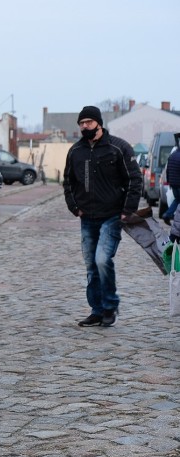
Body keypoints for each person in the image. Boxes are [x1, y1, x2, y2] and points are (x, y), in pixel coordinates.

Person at [63, 105, 143, 328]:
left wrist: (127, 210)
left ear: (98, 123)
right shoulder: (76, 151)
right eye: (81, 123)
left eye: (88, 122)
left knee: (102, 260)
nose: (84, 126)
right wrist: (73, 206)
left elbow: (134, 180)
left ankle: (110, 305)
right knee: (91, 265)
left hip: (112, 215)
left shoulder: (119, 148)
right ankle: (97, 310)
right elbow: (68, 181)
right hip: (87, 216)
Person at [162, 140, 180, 224]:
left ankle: (168, 214)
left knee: (177, 200)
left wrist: (169, 181)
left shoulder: (172, 156)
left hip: (173, 184)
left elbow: (168, 170)